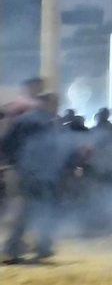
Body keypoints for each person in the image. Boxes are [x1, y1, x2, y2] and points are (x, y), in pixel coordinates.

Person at [2, 93, 68, 263]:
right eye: (55, 103)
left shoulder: (28, 119)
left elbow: (7, 142)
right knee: (40, 207)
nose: (57, 107)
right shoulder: (41, 121)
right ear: (46, 103)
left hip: (29, 170)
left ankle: (28, 245)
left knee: (32, 208)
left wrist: (11, 161)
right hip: (37, 172)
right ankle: (30, 246)